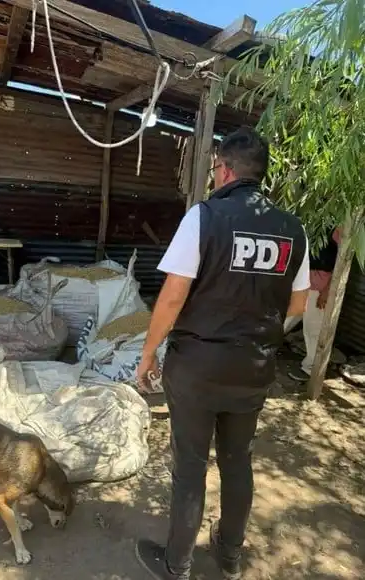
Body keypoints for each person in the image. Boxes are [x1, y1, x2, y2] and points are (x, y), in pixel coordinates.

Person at [133, 127, 311, 580]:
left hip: (197, 367)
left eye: (214, 169)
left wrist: (148, 352)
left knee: (190, 467)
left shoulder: (205, 217)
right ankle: (229, 554)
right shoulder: (293, 229)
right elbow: (298, 303)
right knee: (237, 461)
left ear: (226, 169)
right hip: (254, 367)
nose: (214, 177)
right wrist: (260, 331)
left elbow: (173, 296)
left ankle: (177, 565)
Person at [287, 226, 342, 382]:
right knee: (287, 318)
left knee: (313, 328)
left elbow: (341, 259)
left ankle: (311, 368)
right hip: (304, 282)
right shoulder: (315, 221)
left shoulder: (337, 227)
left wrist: (327, 291)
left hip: (320, 285)